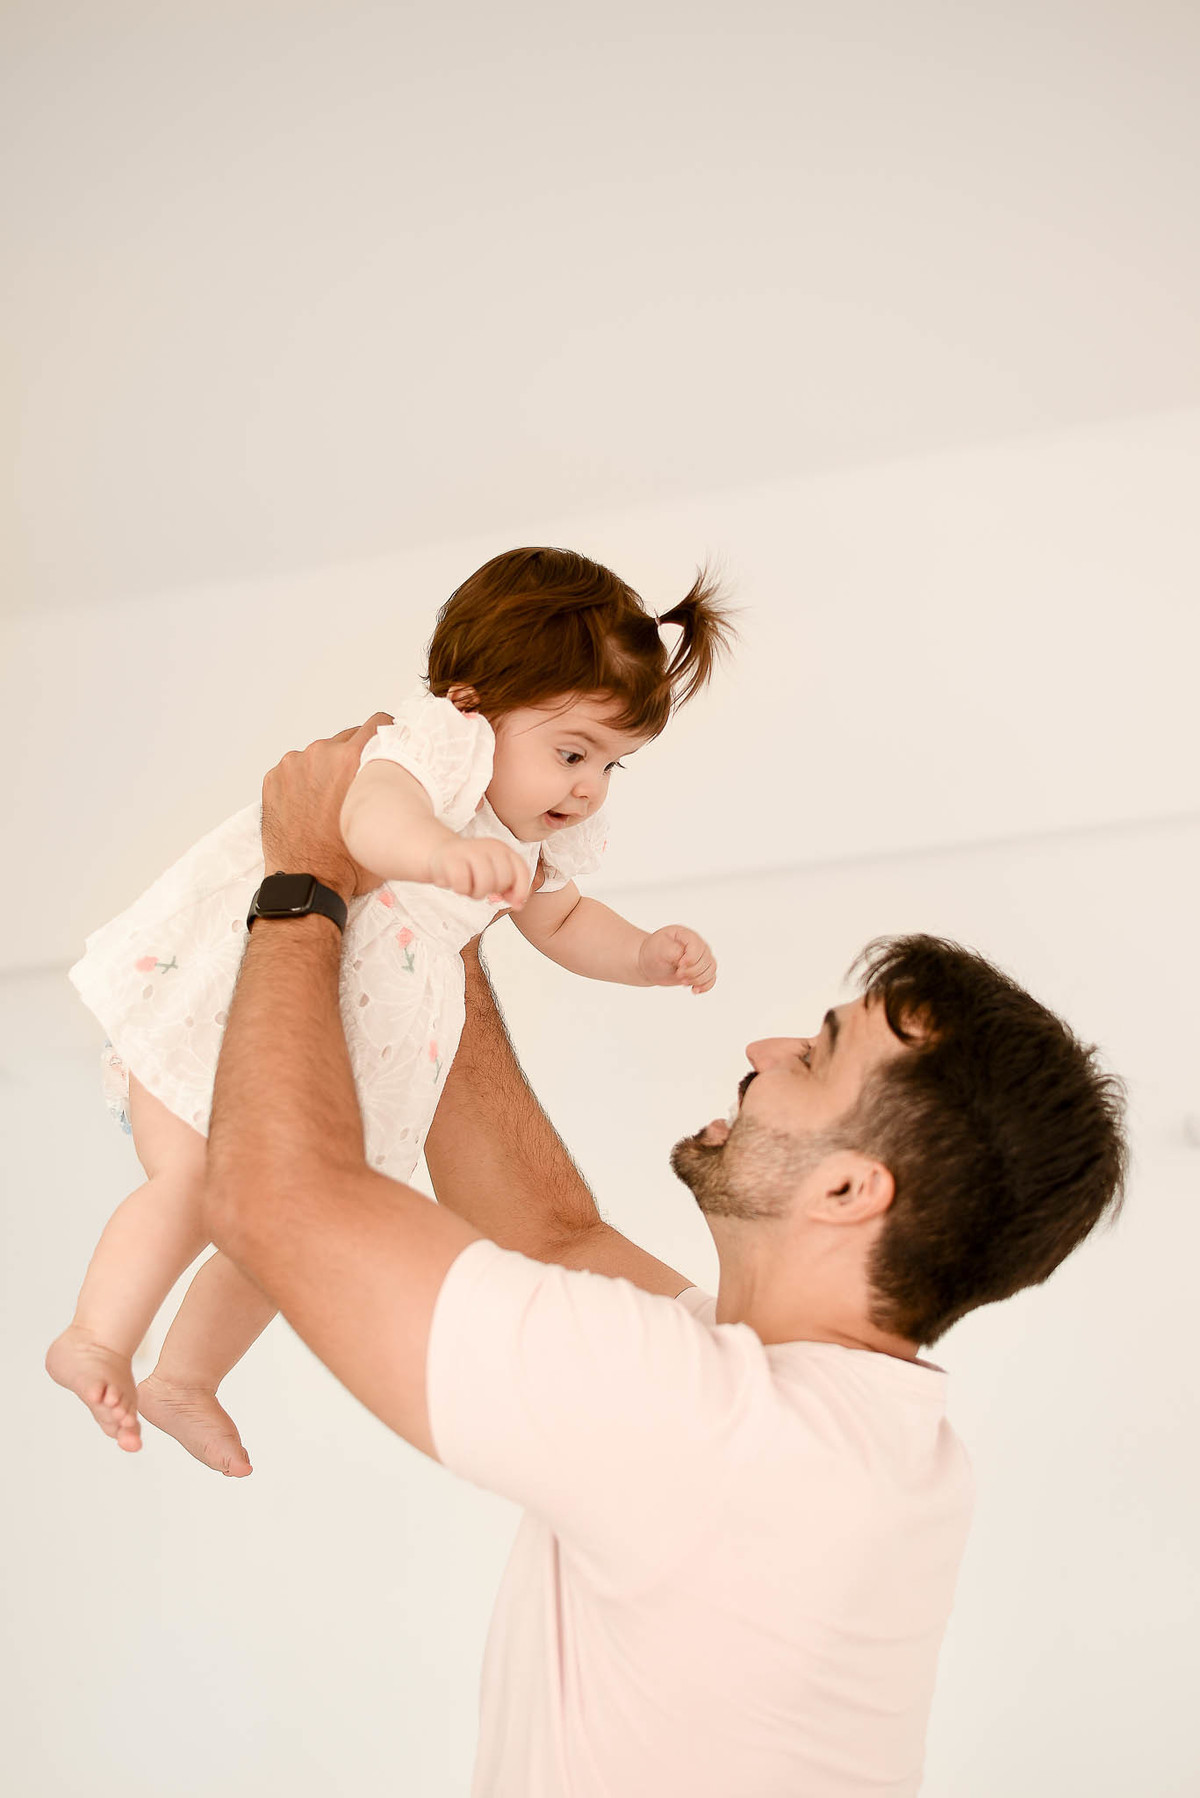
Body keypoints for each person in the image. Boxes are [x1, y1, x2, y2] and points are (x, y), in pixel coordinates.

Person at [195, 718, 1124, 1798]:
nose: (764, 1049)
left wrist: (306, 881)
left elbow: (272, 1200)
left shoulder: (720, 1433)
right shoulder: (854, 1429)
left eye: (816, 1055)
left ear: (848, 1190)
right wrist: (443, 925)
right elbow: (553, 1234)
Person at [46, 548, 734, 1476]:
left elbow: (565, 922)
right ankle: (95, 1338)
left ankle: (184, 1380)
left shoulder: (532, 834)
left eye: (614, 765)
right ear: (472, 704)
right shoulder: (439, 750)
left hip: (335, 1051)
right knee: (192, 1182)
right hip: (223, 1013)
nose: (588, 788)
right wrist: (433, 854)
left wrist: (646, 955)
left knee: (281, 1236)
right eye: (573, 754)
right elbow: (367, 814)